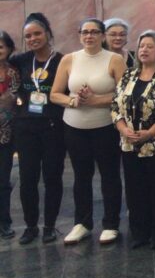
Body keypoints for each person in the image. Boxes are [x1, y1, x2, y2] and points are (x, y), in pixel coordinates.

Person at [49, 18, 127, 246]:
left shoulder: (114, 59)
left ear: (102, 35)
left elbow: (124, 95)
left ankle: (111, 224)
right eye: (85, 32)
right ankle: (82, 223)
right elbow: (55, 94)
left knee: (110, 176)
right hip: (74, 128)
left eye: (94, 32)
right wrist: (73, 101)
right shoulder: (69, 59)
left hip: (105, 128)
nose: (89, 36)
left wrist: (96, 100)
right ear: (79, 34)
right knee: (81, 176)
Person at [112, 31, 155, 250]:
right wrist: (123, 128)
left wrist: (150, 132)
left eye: (149, 46)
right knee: (135, 190)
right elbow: (115, 105)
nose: (143, 50)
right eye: (141, 46)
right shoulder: (129, 76)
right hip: (130, 143)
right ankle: (139, 233)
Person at [11, 14, 65, 245]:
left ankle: (50, 226)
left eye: (37, 34)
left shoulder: (63, 61)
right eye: (28, 36)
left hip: (53, 126)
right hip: (26, 128)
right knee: (27, 179)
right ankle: (31, 226)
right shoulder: (21, 61)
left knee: (52, 177)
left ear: (48, 34)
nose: (33, 39)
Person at [0, 31, 19, 240]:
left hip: (6, 134)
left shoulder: (14, 73)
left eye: (1, 46)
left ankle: (4, 222)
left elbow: (13, 99)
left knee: (3, 180)